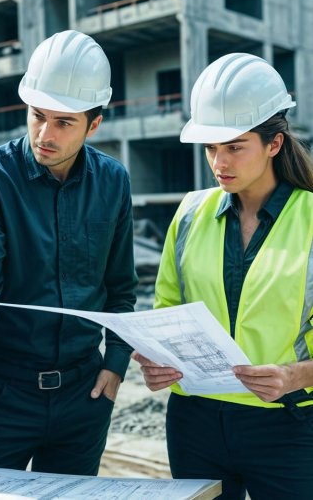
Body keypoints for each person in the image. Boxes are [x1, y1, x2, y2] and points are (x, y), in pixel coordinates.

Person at [0, 30, 138, 481]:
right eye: (37, 116)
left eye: (64, 122)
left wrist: (116, 363)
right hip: (4, 398)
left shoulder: (113, 183)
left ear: (94, 124)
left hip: (85, 396)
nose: (45, 135)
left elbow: (121, 287)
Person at [133, 52, 313, 499]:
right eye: (212, 147)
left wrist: (294, 376)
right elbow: (167, 312)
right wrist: (159, 363)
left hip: (287, 424)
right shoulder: (191, 213)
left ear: (274, 143)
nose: (219, 162)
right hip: (195, 424)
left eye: (234, 146)